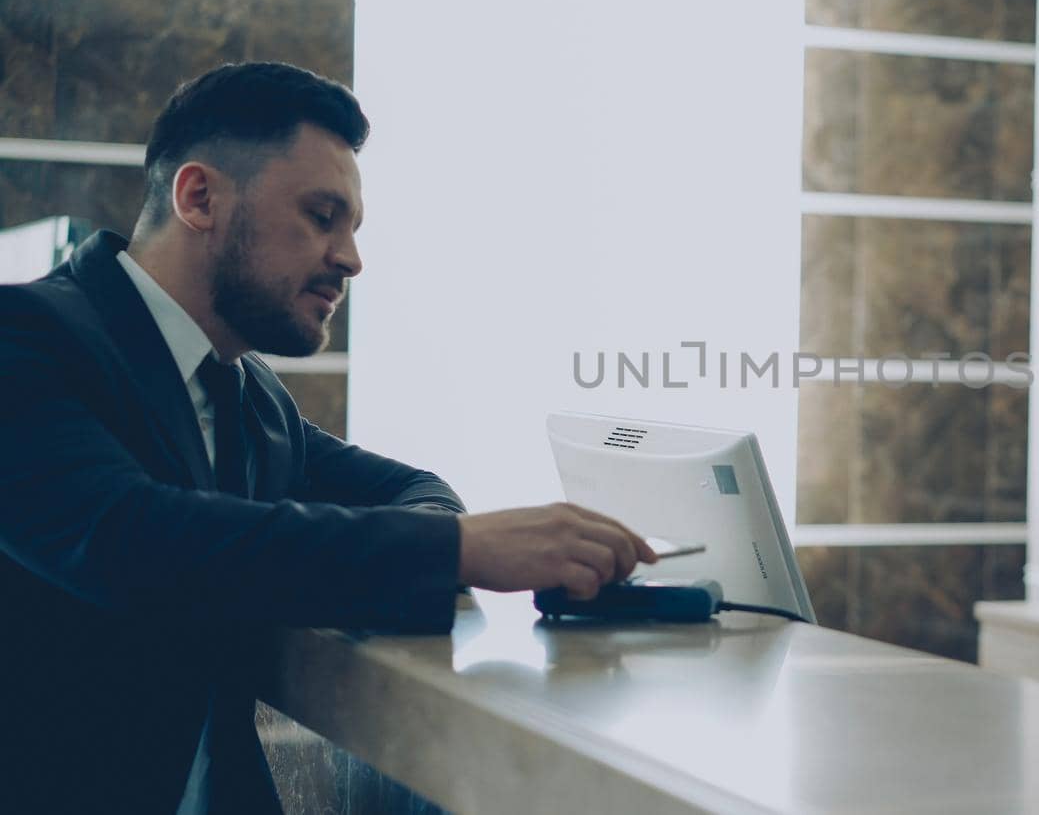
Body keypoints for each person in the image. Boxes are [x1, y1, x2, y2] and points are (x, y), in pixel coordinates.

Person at [0, 62, 658, 813]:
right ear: (199, 197)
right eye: (322, 216)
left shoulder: (250, 398)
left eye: (351, 227)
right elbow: (127, 537)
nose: (350, 258)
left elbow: (412, 490)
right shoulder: (25, 338)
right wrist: (461, 551)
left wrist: (453, 535)